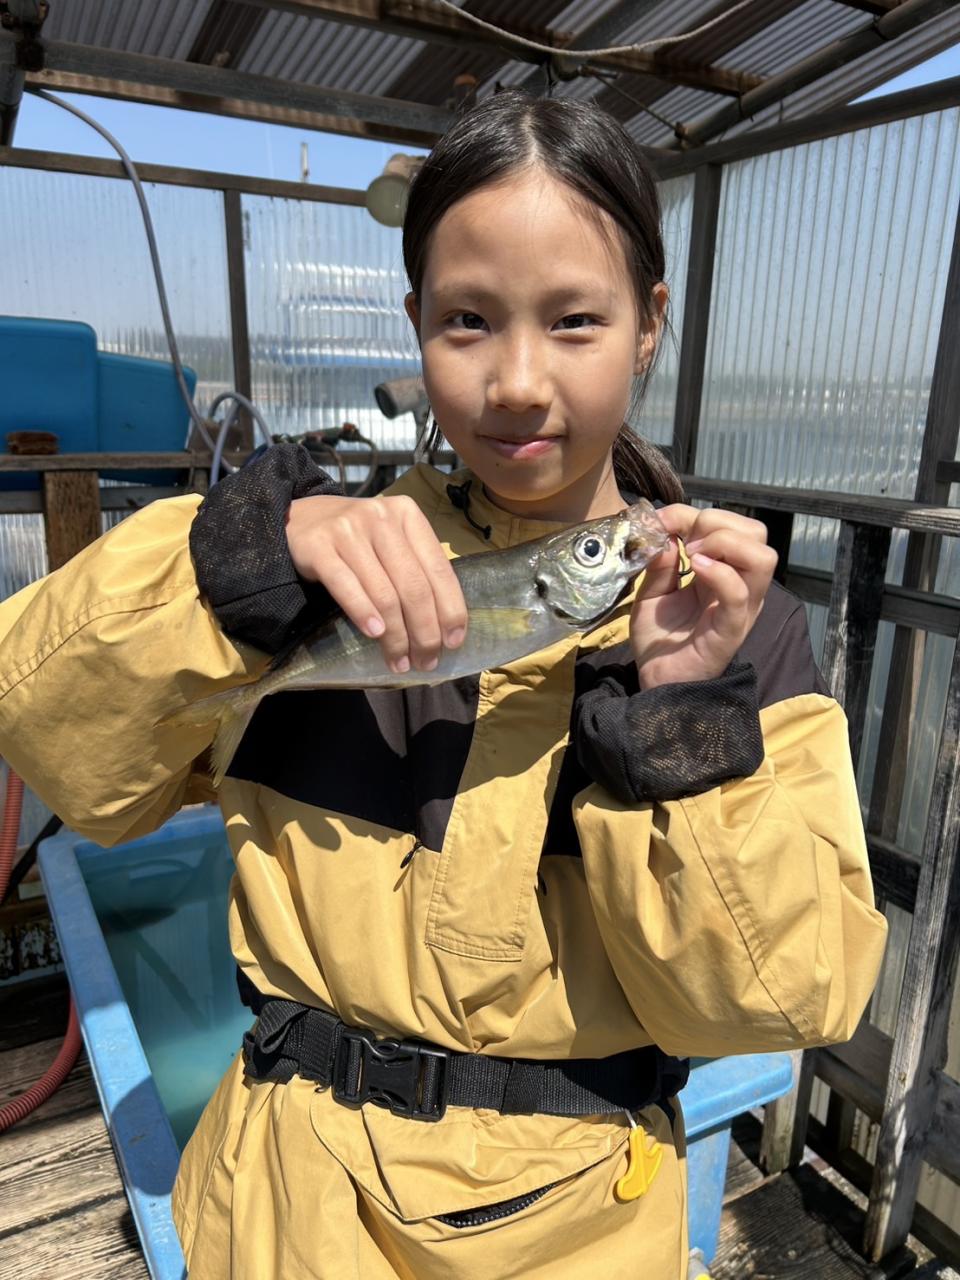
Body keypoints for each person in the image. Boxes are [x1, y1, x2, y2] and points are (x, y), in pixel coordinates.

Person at [0, 93, 887, 1280]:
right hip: (284, 1210)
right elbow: (59, 752)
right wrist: (225, 567)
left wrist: (683, 718)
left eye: (575, 319)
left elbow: (781, 1001)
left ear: (649, 324)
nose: (517, 381)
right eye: (468, 319)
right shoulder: (319, 566)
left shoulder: (734, 628)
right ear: (414, 318)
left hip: (580, 1233)